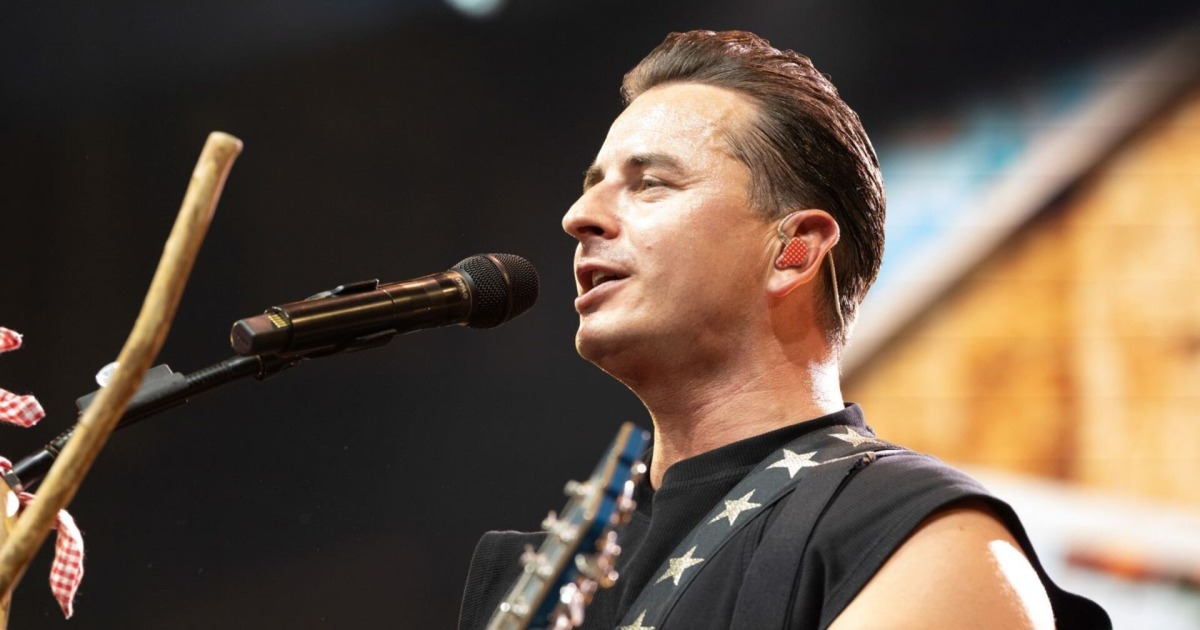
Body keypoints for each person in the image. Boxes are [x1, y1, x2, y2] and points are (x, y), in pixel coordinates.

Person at [459, 30, 1109, 629]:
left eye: (650, 182)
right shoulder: (539, 573)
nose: (579, 215)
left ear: (793, 252)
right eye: (593, 184)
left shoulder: (921, 538)